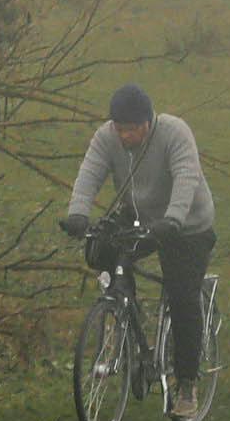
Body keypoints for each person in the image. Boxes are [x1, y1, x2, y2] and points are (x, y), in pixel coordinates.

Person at [62, 82, 216, 400]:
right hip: (141, 216)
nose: (124, 136)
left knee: (181, 295)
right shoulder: (107, 137)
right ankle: (122, 309)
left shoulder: (175, 133)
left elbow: (187, 176)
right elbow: (89, 172)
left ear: (148, 122)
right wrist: (78, 213)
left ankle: (187, 385)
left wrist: (173, 219)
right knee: (102, 247)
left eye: (132, 129)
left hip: (186, 224)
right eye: (119, 128)